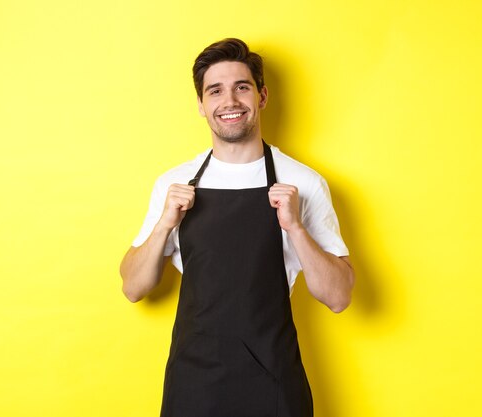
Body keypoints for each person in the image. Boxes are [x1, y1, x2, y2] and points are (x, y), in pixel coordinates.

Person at [120, 38, 354, 417]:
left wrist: (295, 227)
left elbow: (339, 297)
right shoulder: (174, 184)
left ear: (261, 96)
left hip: (274, 384)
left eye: (241, 87)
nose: (229, 101)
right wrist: (165, 224)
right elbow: (133, 288)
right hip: (193, 385)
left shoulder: (303, 182)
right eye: (215, 91)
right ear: (201, 105)